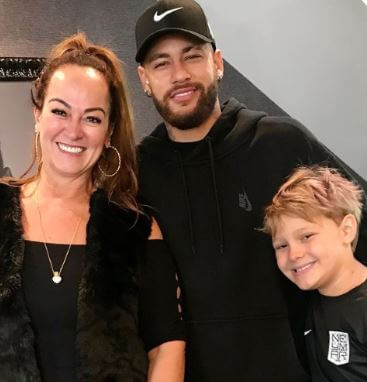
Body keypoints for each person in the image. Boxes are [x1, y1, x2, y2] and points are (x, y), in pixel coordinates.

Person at [134, 0, 367, 380]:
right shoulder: (138, 173)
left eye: (192, 56)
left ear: (218, 62)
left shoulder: (282, 143)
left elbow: (356, 232)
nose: (179, 74)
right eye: (162, 63)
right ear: (144, 78)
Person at [0, 32, 185, 382]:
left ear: (109, 130)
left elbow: (166, 346)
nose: (73, 131)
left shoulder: (135, 229)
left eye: (92, 118)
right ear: (38, 114)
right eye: (60, 111)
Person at [263, 166, 367, 382]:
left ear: (346, 230)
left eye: (307, 236)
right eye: (281, 246)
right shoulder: (310, 303)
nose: (294, 254)